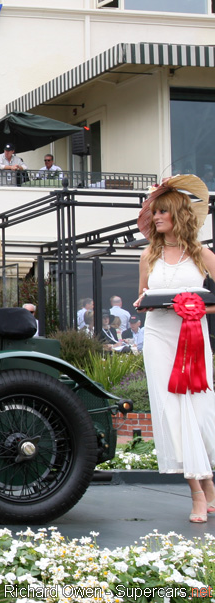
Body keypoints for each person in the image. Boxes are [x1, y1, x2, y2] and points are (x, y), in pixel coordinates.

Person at [131, 174, 215, 523]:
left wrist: (193, 308)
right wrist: (146, 303)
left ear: (178, 214)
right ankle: (198, 491)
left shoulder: (203, 256)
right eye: (155, 212)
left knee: (195, 410)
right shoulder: (148, 256)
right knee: (171, 411)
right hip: (158, 336)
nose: (156, 217)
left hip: (193, 337)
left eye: (163, 211)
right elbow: (141, 299)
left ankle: (207, 485)